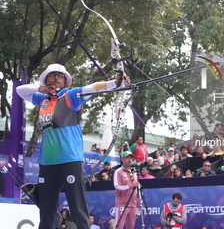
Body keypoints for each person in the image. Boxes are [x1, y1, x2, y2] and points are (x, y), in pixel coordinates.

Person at [16, 63, 129, 229]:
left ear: (66, 81)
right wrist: (41, 89)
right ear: (46, 80)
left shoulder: (71, 95)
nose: (55, 78)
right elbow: (21, 90)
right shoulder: (42, 99)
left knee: (77, 208)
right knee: (46, 210)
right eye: (52, 75)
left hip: (69, 159)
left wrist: (115, 83)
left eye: (59, 76)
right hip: (47, 161)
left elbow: (92, 88)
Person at [113, 151, 140, 229]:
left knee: (131, 227)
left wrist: (139, 202)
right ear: (122, 159)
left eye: (130, 157)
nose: (129, 159)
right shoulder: (118, 172)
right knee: (119, 226)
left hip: (133, 205)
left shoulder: (134, 172)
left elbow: (137, 188)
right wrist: (130, 186)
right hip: (122, 204)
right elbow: (117, 186)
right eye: (127, 157)